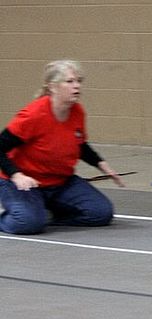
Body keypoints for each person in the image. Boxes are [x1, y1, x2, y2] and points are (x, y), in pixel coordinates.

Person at [0, 60, 124, 234]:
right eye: (70, 81)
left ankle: (47, 214)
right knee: (28, 223)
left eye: (79, 81)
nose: (77, 86)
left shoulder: (77, 111)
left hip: (60, 182)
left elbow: (79, 144)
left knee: (101, 213)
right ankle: (23, 216)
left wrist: (101, 165)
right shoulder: (33, 115)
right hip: (24, 183)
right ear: (53, 86)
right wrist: (17, 175)